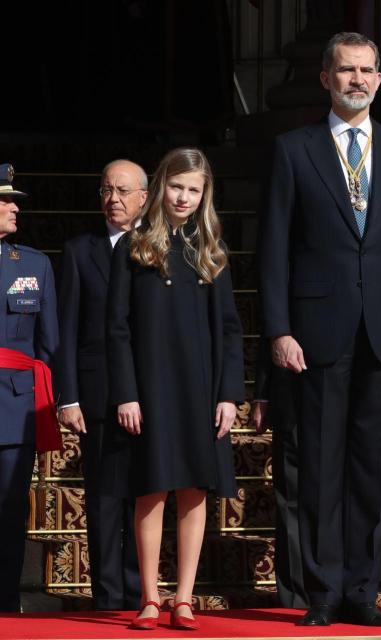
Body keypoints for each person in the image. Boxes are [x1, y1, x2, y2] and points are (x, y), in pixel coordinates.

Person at [258, 32, 381, 627]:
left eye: (367, 70)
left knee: (369, 467)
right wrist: (278, 328)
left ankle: (363, 589)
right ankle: (322, 592)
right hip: (315, 331)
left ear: (380, 79)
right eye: (346, 70)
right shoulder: (293, 149)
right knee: (320, 466)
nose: (357, 79)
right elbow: (273, 249)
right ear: (326, 79)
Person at [107, 148, 243, 630]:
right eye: (176, 186)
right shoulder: (134, 247)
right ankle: (149, 596)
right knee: (152, 488)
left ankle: (183, 598)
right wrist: (126, 392)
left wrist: (229, 394)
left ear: (204, 195)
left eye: (194, 189)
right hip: (150, 388)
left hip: (201, 389)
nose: (183, 197)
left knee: (194, 490)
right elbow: (117, 328)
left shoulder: (211, 251)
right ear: (161, 186)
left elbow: (229, 329)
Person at [56, 159, 147, 611]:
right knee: (106, 498)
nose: (114, 199)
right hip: (97, 395)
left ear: (144, 198)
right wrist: (67, 396)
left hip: (151, 394)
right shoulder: (79, 251)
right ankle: (110, 596)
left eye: (123, 191)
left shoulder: (158, 247)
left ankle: (140, 591)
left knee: (144, 495)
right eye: (107, 190)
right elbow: (66, 330)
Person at [0, 164, 60, 612]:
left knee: (8, 508)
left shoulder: (34, 264)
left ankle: (4, 596)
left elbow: (49, 344)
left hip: (13, 404)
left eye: (14, 200)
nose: (13, 207)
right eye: (4, 201)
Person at [252, 347, 308, 608]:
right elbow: (272, 330)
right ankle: (296, 595)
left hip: (341, 397)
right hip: (292, 393)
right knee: (291, 496)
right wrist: (262, 395)